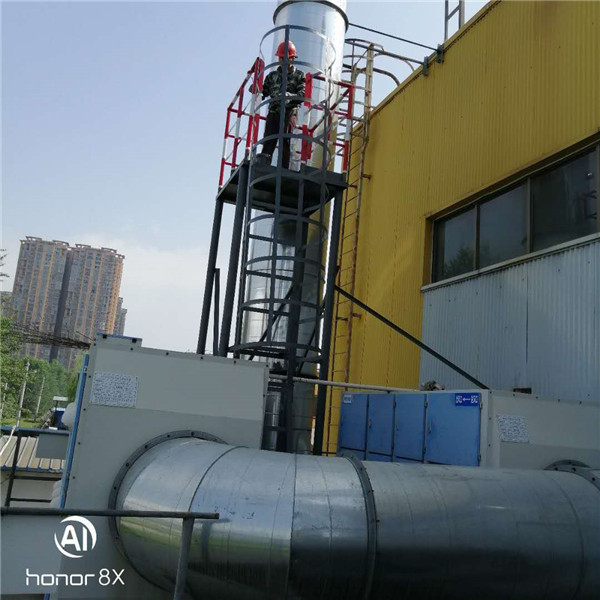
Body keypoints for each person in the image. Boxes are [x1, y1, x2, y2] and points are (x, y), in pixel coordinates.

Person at [259, 40, 306, 169]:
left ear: (292, 58)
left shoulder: (299, 75)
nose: (282, 61)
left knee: (286, 140)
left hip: (289, 112)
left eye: (285, 58)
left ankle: (284, 169)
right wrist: (256, 90)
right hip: (274, 112)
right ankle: (263, 166)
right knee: (268, 140)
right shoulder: (272, 76)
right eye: (280, 58)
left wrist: (289, 97)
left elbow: (302, 95)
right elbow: (263, 92)